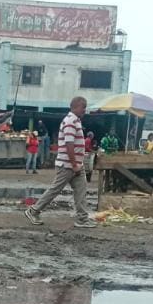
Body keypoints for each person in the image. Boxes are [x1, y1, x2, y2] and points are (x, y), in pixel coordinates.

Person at [24, 96, 96, 229]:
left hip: (75, 165)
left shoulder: (76, 121)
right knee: (55, 189)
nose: (85, 110)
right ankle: (33, 210)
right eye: (83, 107)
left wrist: (77, 164)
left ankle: (82, 219)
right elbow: (69, 144)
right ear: (75, 106)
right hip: (68, 165)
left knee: (81, 190)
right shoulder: (70, 121)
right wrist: (74, 164)